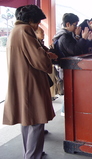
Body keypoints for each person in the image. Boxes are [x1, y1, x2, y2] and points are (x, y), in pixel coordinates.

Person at [3, 5, 57, 159]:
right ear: (30, 20)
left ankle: (30, 153)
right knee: (36, 121)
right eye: (37, 22)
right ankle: (33, 156)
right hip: (31, 82)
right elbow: (38, 59)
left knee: (27, 121)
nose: (37, 26)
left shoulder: (15, 31)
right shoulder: (26, 30)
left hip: (21, 81)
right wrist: (49, 57)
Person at [52, 13, 92, 116]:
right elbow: (75, 51)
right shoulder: (64, 37)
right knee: (70, 90)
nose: (76, 27)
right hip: (67, 68)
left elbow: (80, 48)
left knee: (72, 90)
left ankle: (68, 111)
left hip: (70, 67)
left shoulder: (68, 35)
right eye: (75, 25)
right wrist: (83, 38)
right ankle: (66, 112)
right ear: (68, 24)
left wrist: (89, 39)